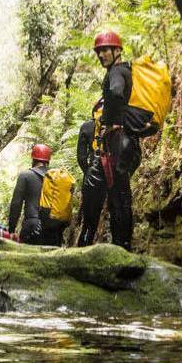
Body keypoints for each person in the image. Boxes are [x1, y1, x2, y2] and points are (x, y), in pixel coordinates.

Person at [93, 31, 141, 251]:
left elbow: (116, 91)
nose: (101, 54)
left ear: (117, 50)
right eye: (99, 51)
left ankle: (123, 246)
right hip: (126, 141)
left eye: (105, 49)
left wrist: (112, 120)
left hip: (119, 142)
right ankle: (121, 244)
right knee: (119, 194)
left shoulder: (117, 71)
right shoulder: (126, 70)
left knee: (119, 195)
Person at [7, 144, 53, 245]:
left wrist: (11, 229)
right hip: (53, 228)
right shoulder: (54, 177)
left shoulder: (26, 175)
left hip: (32, 225)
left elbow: (16, 204)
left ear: (33, 159)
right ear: (48, 160)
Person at [77, 99, 106, 247]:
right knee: (97, 214)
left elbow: (81, 157)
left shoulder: (87, 126)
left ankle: (83, 239)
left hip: (90, 176)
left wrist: (88, 171)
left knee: (88, 213)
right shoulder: (114, 122)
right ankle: (90, 240)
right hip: (108, 177)